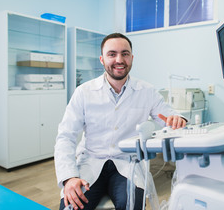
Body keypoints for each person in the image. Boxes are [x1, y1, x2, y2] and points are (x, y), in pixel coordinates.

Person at [54, 33, 187, 210]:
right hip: (91, 162)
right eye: (112, 54)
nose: (119, 59)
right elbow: (65, 136)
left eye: (125, 54)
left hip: (128, 164)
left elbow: (168, 117)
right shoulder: (84, 92)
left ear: (132, 58)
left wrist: (177, 120)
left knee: (130, 205)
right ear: (102, 59)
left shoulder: (146, 91)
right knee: (72, 206)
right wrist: (69, 177)